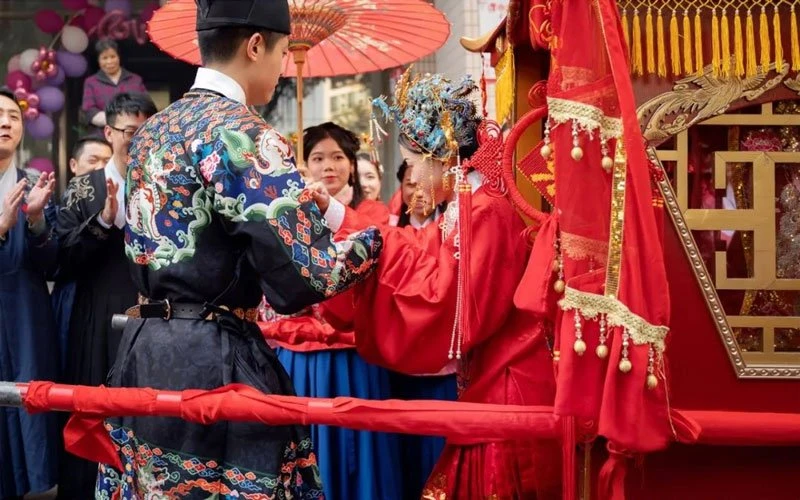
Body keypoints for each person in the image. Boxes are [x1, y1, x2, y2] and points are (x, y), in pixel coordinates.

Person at [83, 1, 383, 497]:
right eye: (283, 52)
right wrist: (373, 242)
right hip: (213, 360)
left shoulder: (152, 131)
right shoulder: (244, 133)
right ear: (256, 45)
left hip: (143, 350)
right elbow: (306, 278)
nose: (282, 68)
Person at [322, 72, 562, 499]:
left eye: (413, 164)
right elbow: (417, 252)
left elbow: (445, 298)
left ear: (444, 156)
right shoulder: (468, 205)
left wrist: (366, 244)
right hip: (490, 384)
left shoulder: (485, 210)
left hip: (508, 386)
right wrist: (344, 221)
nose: (411, 176)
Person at [268, 122, 399, 500]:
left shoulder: (371, 212)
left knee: (358, 446)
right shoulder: (288, 210)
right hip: (300, 349)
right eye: (318, 157)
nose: (329, 166)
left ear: (351, 163)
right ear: (305, 163)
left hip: (351, 349)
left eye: (338, 157)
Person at [55, 93, 157, 500]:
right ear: (110, 132)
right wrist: (102, 222)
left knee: (144, 413)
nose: (136, 139)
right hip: (96, 312)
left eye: (144, 130)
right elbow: (62, 257)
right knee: (92, 409)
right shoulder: (83, 189)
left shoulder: (163, 182)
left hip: (150, 316)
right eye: (129, 131)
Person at [0, 87, 60, 500]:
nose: (5, 122)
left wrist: (36, 221)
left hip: (24, 310)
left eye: (13, 116)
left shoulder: (34, 185)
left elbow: (55, 263)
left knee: (25, 403)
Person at [385, 159, 456, 499]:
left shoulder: (453, 228)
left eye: (423, 180)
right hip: (401, 362)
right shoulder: (393, 231)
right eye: (410, 182)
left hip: (443, 365)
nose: (419, 190)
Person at [50, 137, 112, 371]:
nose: (99, 168)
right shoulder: (58, 202)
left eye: (106, 161)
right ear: (74, 165)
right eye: (93, 160)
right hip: (72, 295)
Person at [81, 39, 148, 136]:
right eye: (104, 58)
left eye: (113, 56)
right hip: (102, 136)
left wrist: (130, 121)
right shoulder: (91, 82)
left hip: (133, 134)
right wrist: (114, 121)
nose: (109, 61)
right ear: (98, 60)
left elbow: (146, 105)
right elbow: (89, 109)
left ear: (119, 57)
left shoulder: (135, 80)